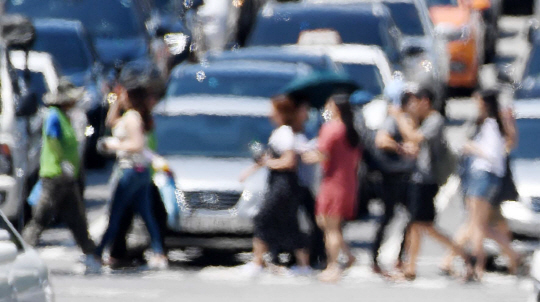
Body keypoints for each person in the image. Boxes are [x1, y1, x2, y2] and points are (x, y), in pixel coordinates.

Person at [389, 88, 473, 280]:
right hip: (419, 178)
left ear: (425, 101)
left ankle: (463, 255)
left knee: (423, 226)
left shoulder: (435, 119)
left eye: (416, 101)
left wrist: (399, 117)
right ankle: (410, 267)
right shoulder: (425, 120)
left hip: (427, 180)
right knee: (416, 225)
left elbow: (415, 137)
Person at [22, 78, 101, 272]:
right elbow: (53, 139)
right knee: (41, 216)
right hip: (54, 175)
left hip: (66, 177)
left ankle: (91, 254)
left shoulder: (66, 116)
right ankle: (23, 254)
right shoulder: (54, 116)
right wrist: (63, 162)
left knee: (77, 218)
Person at [95, 72, 168, 270]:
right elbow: (111, 122)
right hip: (138, 170)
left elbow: (137, 144)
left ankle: (98, 252)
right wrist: (116, 100)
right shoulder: (129, 116)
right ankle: (159, 252)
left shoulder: (133, 118)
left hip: (131, 170)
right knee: (146, 214)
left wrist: (113, 145)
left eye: (125, 94)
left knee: (116, 213)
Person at [240, 95, 310, 277]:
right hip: (281, 183)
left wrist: (268, 164)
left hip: (284, 183)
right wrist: (251, 170)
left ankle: (257, 262)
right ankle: (303, 265)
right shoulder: (281, 132)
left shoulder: (285, 133)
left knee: (263, 217)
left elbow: (289, 161)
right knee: (289, 223)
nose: (269, 113)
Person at [460, 90, 519, 280]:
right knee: (479, 224)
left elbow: (492, 154)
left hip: (483, 175)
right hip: (484, 176)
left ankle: (480, 265)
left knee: (479, 224)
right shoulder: (492, 123)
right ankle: (480, 265)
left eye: (478, 101)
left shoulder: (492, 124)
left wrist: (471, 147)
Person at [302, 94, 361, 282]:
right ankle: (348, 255)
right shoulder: (350, 130)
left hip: (332, 182)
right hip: (347, 182)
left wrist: (306, 156)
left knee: (330, 228)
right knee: (325, 222)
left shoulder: (331, 128)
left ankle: (333, 266)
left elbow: (322, 154)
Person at [371, 89, 416, 276]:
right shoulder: (395, 119)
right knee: (388, 216)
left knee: (412, 217)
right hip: (392, 176)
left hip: (407, 175)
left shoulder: (409, 119)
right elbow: (381, 140)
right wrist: (399, 148)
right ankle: (374, 258)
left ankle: (400, 257)